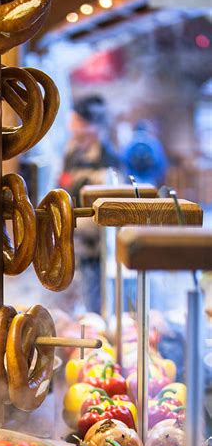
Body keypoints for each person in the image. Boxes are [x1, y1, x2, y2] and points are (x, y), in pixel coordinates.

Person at [59, 95, 122, 314]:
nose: (75, 133)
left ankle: (94, 323)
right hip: (73, 237)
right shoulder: (72, 152)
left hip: (95, 241)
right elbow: (64, 185)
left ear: (92, 127)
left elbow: (111, 200)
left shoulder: (108, 156)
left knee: (93, 297)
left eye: (79, 127)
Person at [123, 119, 168, 187]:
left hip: (133, 181)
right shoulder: (154, 142)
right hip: (151, 180)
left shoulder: (130, 142)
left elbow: (123, 160)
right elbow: (161, 163)